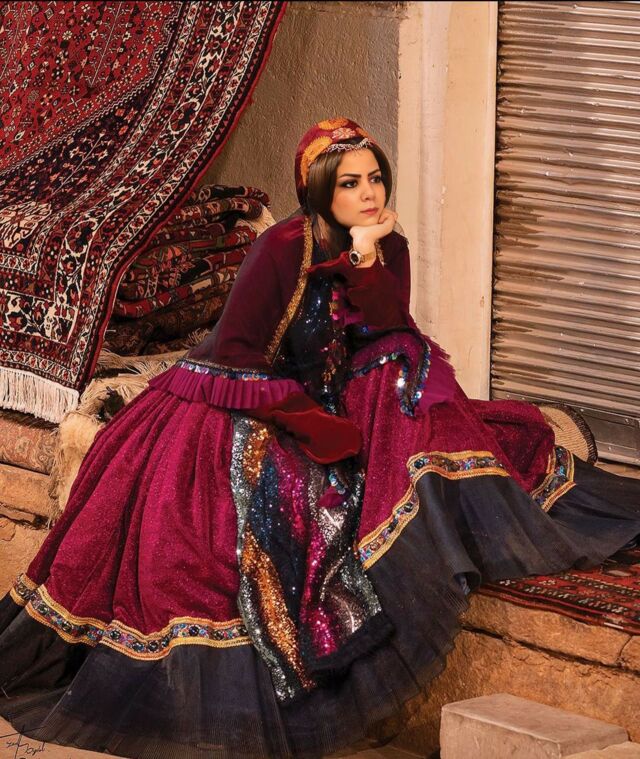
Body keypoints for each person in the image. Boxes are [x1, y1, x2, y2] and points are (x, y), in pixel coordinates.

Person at [1, 117, 639, 759]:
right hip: (238, 399)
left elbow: (389, 330)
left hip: (328, 395)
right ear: (318, 190)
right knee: (245, 527)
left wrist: (364, 256)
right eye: (349, 183)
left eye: (376, 178)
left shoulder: (387, 244)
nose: (369, 193)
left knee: (409, 373)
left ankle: (435, 517)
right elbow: (233, 360)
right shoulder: (280, 247)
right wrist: (310, 422)